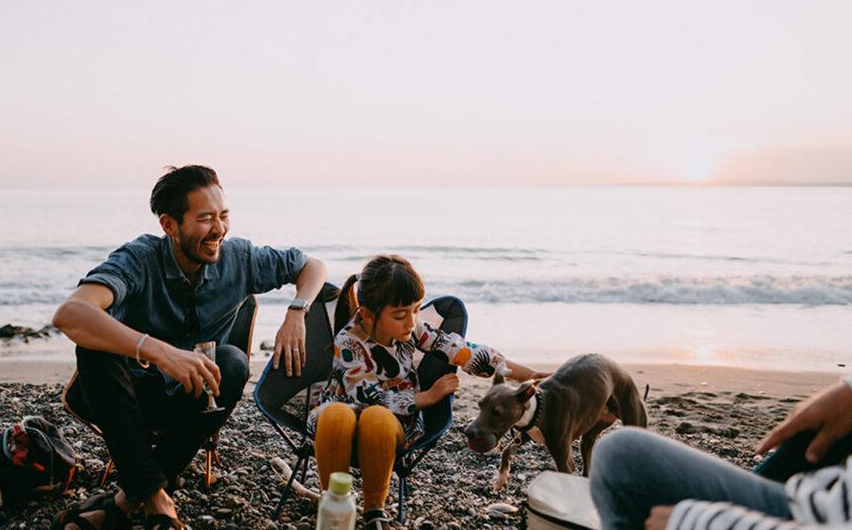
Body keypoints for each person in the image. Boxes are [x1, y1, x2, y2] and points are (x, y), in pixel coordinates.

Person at [51, 165, 326, 530]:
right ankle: (153, 498)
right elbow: (70, 313)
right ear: (169, 225)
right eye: (206, 218)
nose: (219, 229)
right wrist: (159, 352)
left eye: (224, 216)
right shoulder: (138, 259)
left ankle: (130, 499)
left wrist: (297, 310)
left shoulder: (240, 259)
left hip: (195, 401)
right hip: (124, 401)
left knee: (231, 361)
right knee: (94, 348)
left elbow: (312, 266)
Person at [307, 255, 546, 530]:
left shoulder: (413, 330)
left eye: (416, 310)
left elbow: (462, 349)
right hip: (342, 415)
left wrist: (528, 374)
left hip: (390, 424)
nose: (411, 321)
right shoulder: (349, 342)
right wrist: (427, 397)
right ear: (367, 315)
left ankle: (375, 510)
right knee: (338, 414)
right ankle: (334, 503)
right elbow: (367, 396)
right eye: (400, 315)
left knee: (376, 418)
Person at [589, 376, 852, 530]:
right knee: (623, 455)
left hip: (821, 516)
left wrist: (693, 521)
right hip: (822, 498)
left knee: (621, 454)